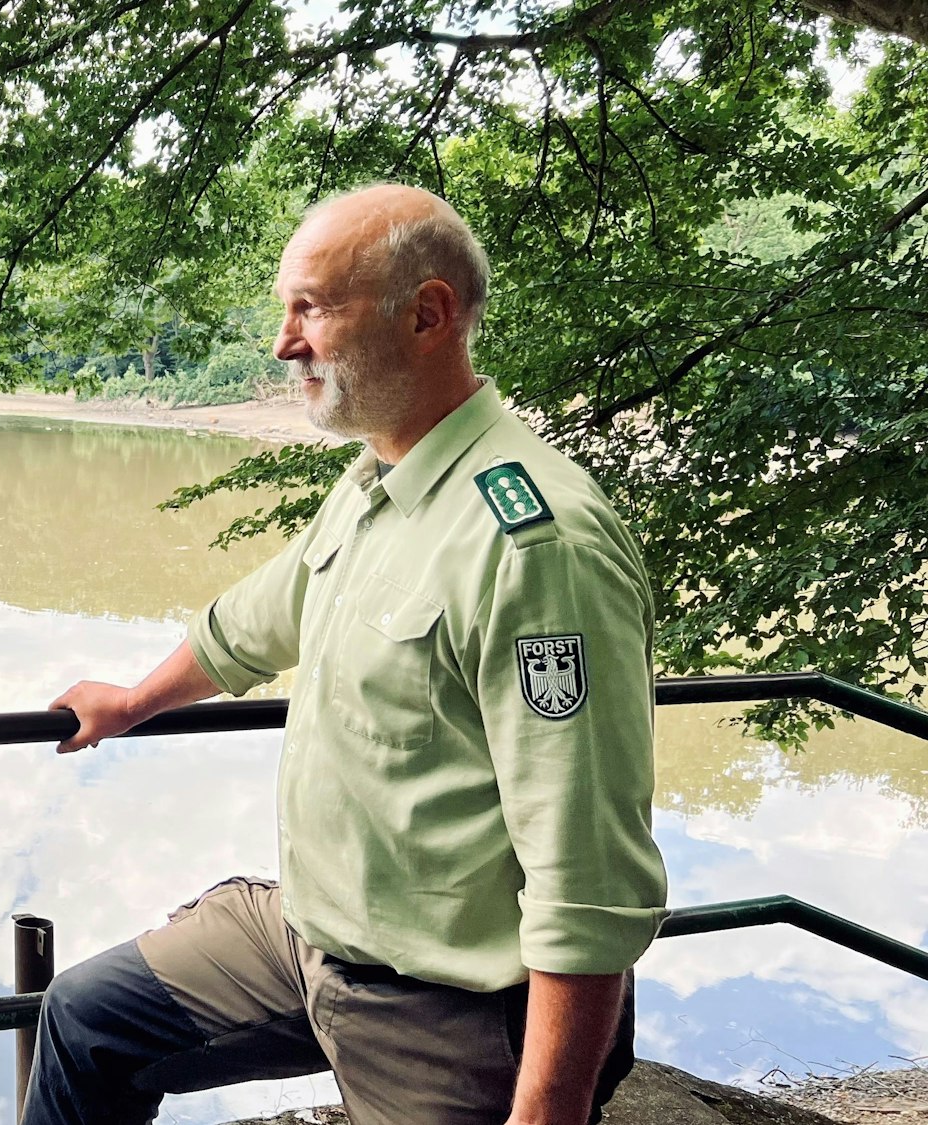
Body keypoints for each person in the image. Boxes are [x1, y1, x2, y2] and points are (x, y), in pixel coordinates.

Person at [33, 184, 668, 1125]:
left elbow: (589, 876)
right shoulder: (379, 477)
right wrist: (132, 701)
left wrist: (547, 1110)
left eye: (313, 308)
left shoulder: (535, 546)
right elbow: (256, 621)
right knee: (87, 1018)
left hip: (448, 1009)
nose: (283, 343)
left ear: (428, 314)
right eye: (286, 309)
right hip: (307, 937)